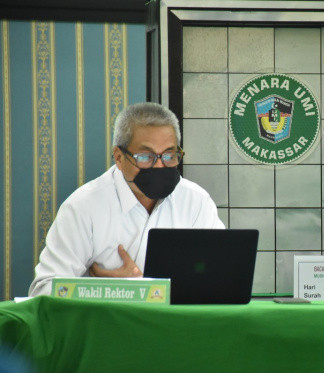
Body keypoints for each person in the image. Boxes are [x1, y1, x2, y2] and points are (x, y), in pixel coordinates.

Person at [29, 102, 224, 296]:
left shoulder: (196, 202)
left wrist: (141, 288)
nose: (159, 166)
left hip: (177, 323)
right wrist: (112, 291)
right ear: (119, 157)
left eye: (169, 155)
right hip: (108, 324)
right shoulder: (83, 207)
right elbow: (43, 290)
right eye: (146, 156)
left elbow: (220, 277)